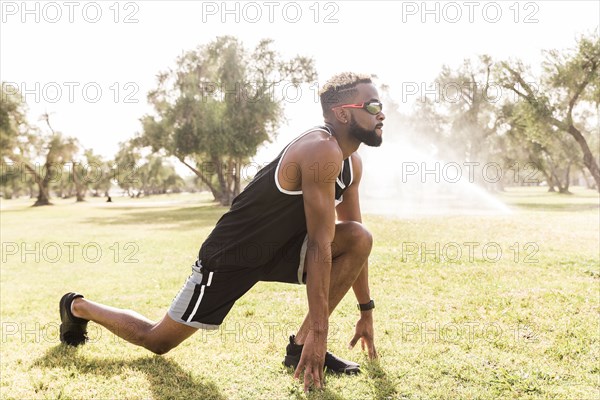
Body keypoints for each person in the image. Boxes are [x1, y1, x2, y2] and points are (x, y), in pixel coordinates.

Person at [59, 72, 385, 392]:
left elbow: (351, 243)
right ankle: (78, 306)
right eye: (371, 106)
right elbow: (318, 245)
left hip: (282, 250)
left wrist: (365, 311)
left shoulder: (351, 163)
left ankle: (299, 348)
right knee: (157, 340)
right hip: (232, 255)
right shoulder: (320, 149)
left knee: (359, 237)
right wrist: (321, 333)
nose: (381, 113)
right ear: (343, 113)